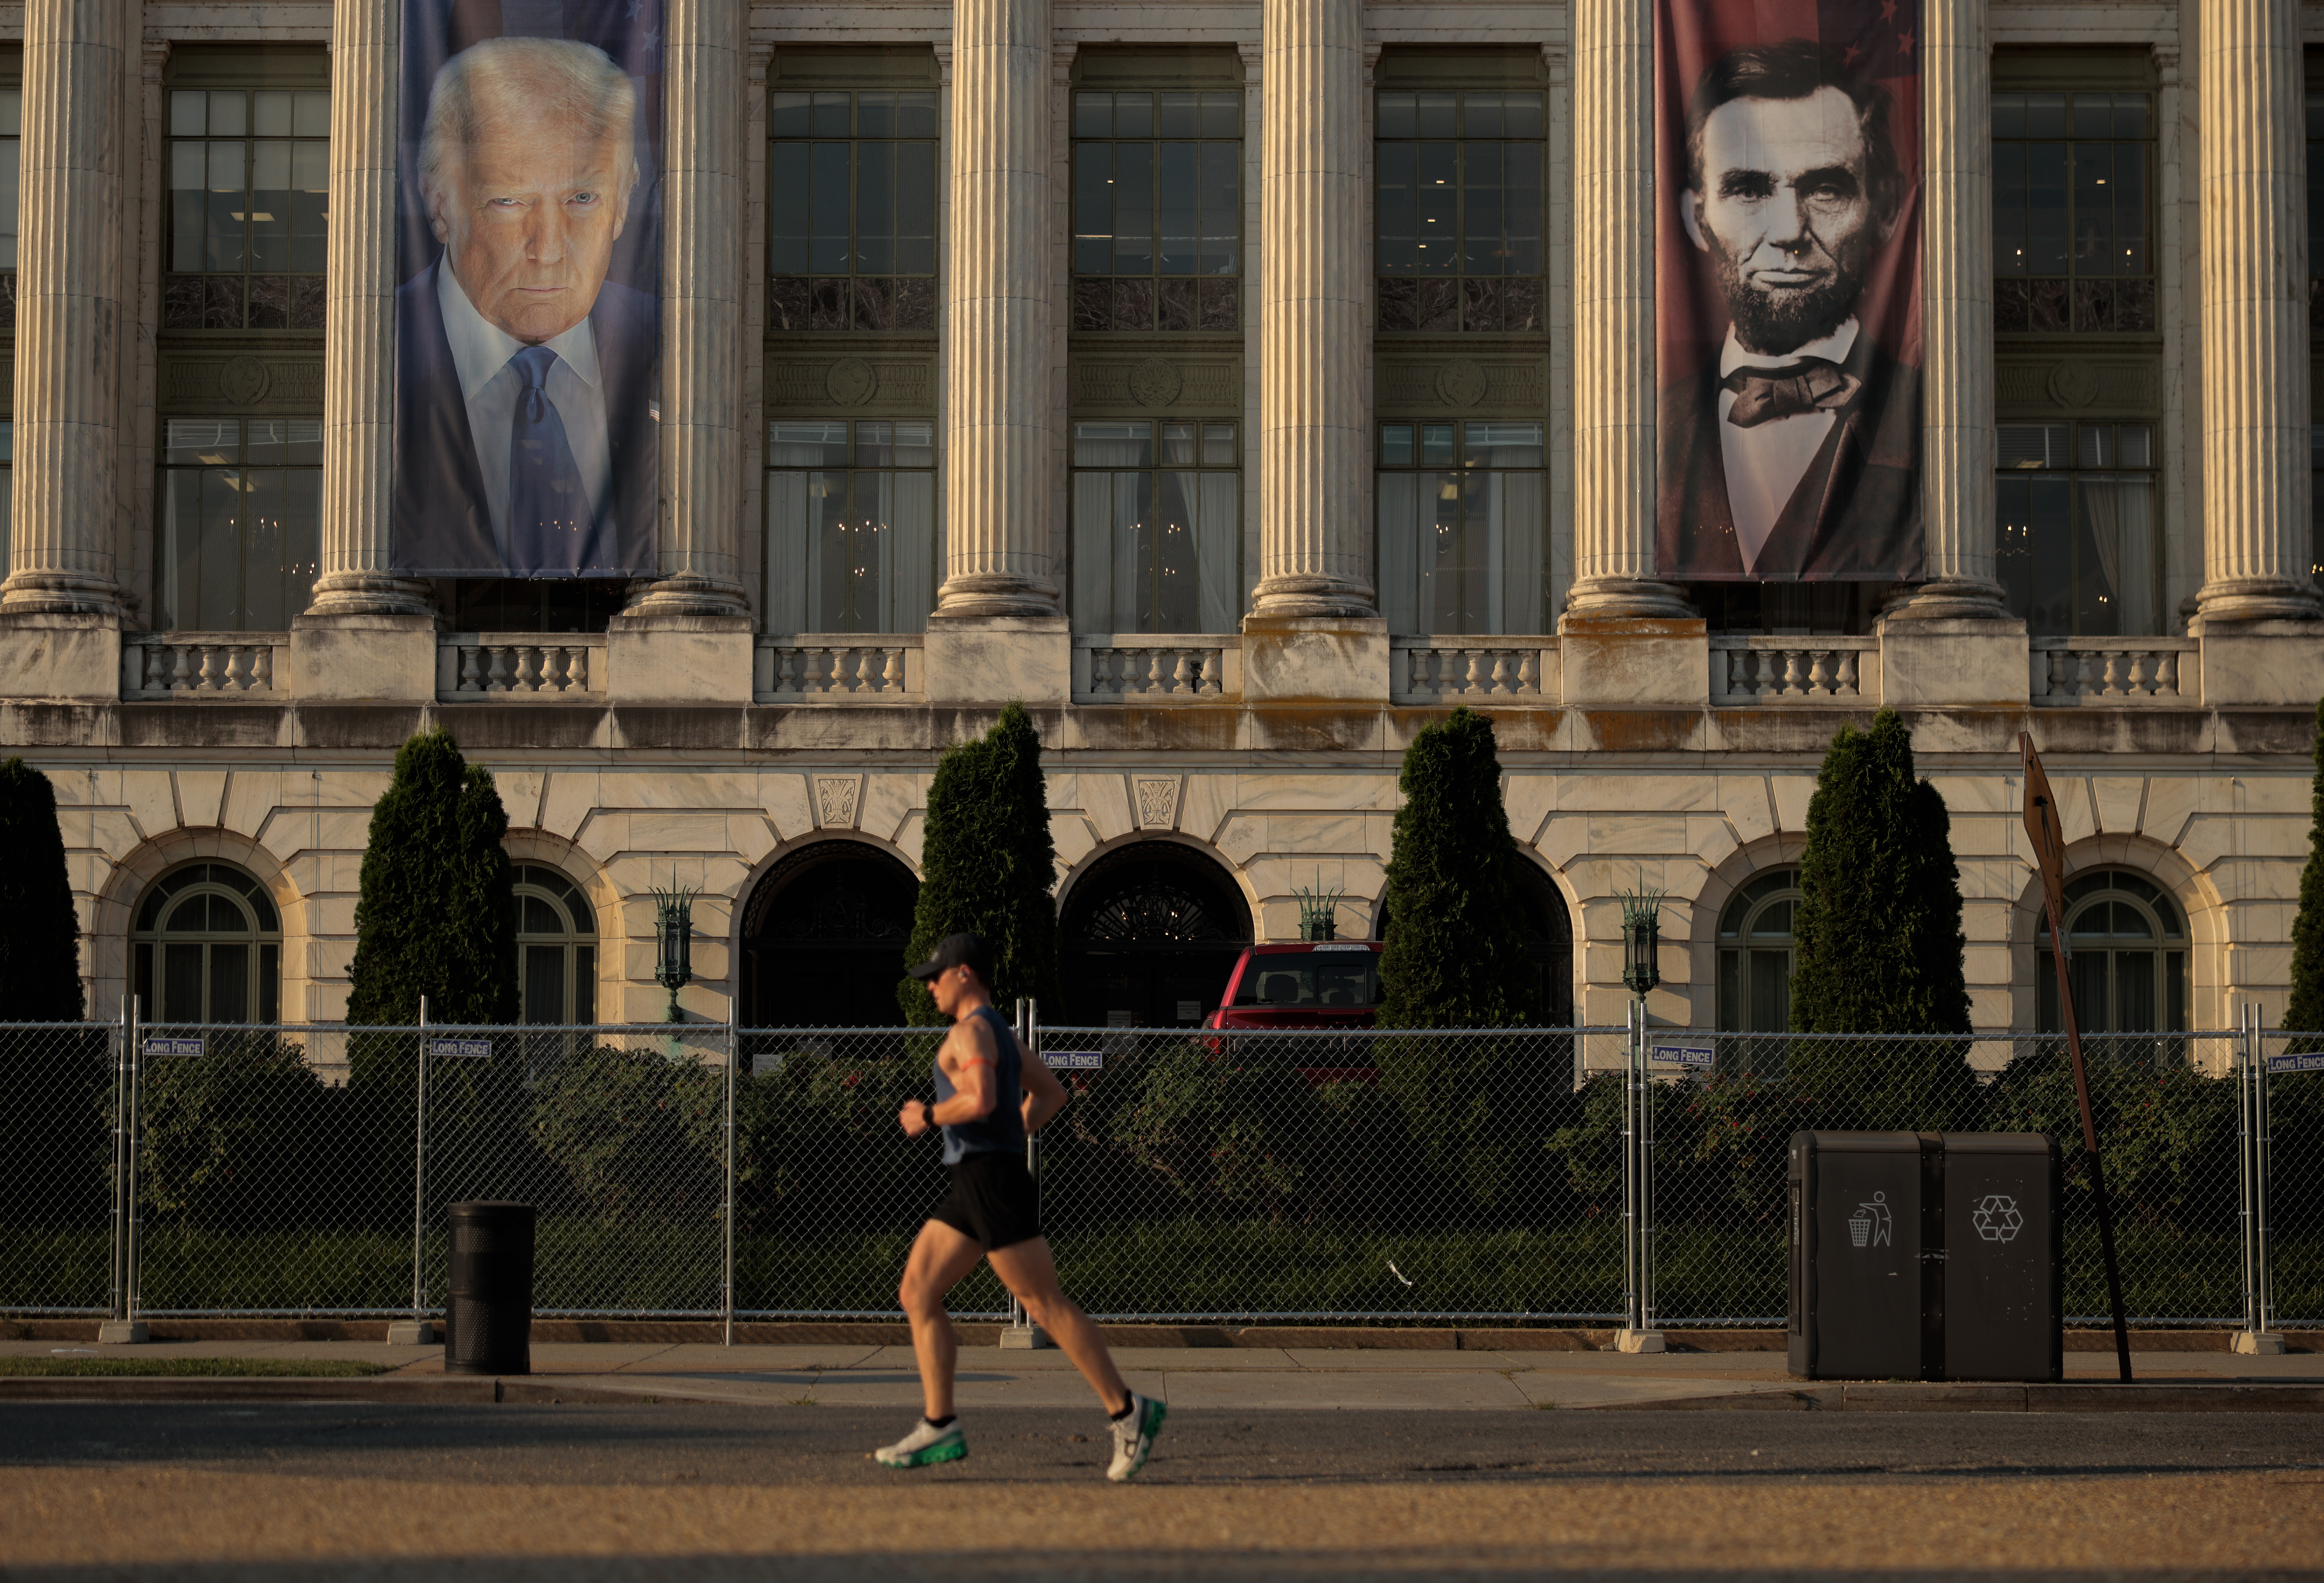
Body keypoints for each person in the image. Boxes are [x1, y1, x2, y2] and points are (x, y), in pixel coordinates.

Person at [875, 932, 1167, 1482]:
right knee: (918, 1290)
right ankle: (940, 1423)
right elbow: (1052, 1094)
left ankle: (1129, 1412)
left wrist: (930, 1117)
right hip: (976, 1180)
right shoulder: (1004, 1035)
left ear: (965, 973)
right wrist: (1012, 1133)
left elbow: (983, 1098)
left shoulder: (972, 1031)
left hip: (992, 1179)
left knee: (1045, 1305)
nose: (931, 986)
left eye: (936, 975)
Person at [394, 36, 657, 578]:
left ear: (625, 201)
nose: (549, 249)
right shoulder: (377, 349)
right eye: (510, 201)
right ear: (438, 202)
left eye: (583, 199)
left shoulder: (672, 345)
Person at [1657, 39, 1921, 581]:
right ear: (1695, 216)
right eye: (1749, 190)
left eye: (1826, 190)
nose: (1788, 233)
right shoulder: (1648, 431)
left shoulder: (1932, 419)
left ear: (1888, 208)